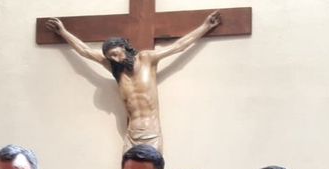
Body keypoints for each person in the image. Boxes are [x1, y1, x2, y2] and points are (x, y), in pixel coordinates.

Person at [45, 12, 221, 152]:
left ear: (124, 47)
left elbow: (178, 46)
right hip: (131, 136)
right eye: (111, 57)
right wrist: (63, 32)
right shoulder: (117, 71)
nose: (116, 59)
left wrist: (205, 26)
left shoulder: (147, 59)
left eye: (117, 53)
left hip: (151, 135)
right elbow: (85, 51)